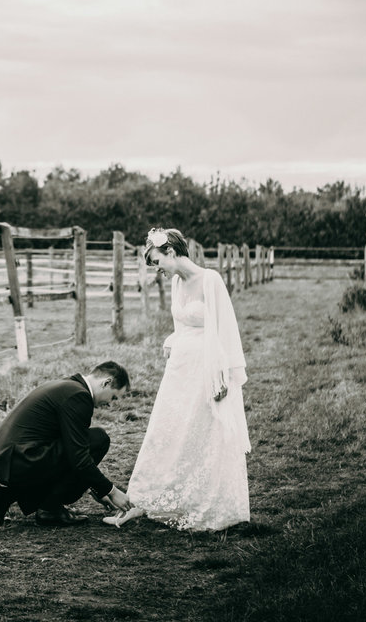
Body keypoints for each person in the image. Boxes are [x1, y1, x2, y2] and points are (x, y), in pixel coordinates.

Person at [106, 227, 250, 531]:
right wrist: (173, 340)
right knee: (168, 431)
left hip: (207, 366)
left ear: (171, 252)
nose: (157, 270)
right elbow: (181, 324)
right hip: (180, 369)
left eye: (157, 261)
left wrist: (223, 375)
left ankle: (203, 503)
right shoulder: (175, 283)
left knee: (202, 431)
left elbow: (225, 331)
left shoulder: (210, 280)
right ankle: (145, 501)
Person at [0, 362, 133, 526]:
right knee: (98, 439)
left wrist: (93, 487)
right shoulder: (79, 396)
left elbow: (65, 448)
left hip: (9, 459)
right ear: (106, 383)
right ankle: (50, 510)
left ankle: (3, 498)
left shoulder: (68, 386)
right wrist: (111, 491)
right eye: (113, 397)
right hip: (22, 460)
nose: (110, 404)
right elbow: (78, 457)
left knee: (83, 445)